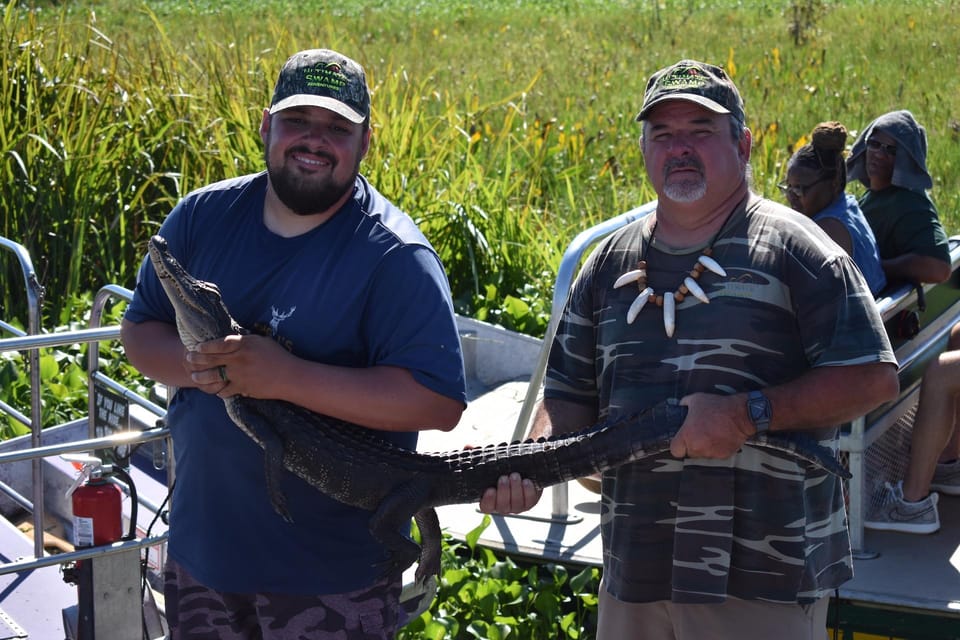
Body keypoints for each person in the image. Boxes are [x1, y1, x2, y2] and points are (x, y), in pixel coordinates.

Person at [480, 59, 899, 640]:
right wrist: (530, 463)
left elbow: (873, 379)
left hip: (765, 577)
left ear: (744, 144)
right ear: (645, 147)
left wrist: (748, 413)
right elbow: (568, 396)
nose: (680, 149)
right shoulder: (607, 265)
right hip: (634, 569)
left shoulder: (799, 252)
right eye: (664, 134)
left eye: (700, 132)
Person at [121, 49, 466, 639]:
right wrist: (203, 366)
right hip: (201, 556)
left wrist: (282, 377)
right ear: (266, 125)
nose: (314, 140)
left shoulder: (395, 257)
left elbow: (437, 403)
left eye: (337, 127)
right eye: (298, 120)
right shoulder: (202, 217)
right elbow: (140, 331)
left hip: (331, 582)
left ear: (365, 142)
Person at [847, 110, 958, 534]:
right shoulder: (868, 200)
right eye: (874, 143)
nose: (878, 154)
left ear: (907, 160)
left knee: (942, 371)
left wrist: (879, 270)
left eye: (891, 149)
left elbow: (937, 266)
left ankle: (911, 505)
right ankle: (949, 462)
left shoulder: (906, 203)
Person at [780, 121, 886, 296]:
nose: (791, 196)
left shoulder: (828, 230)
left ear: (834, 183)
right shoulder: (847, 207)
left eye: (800, 189)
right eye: (788, 187)